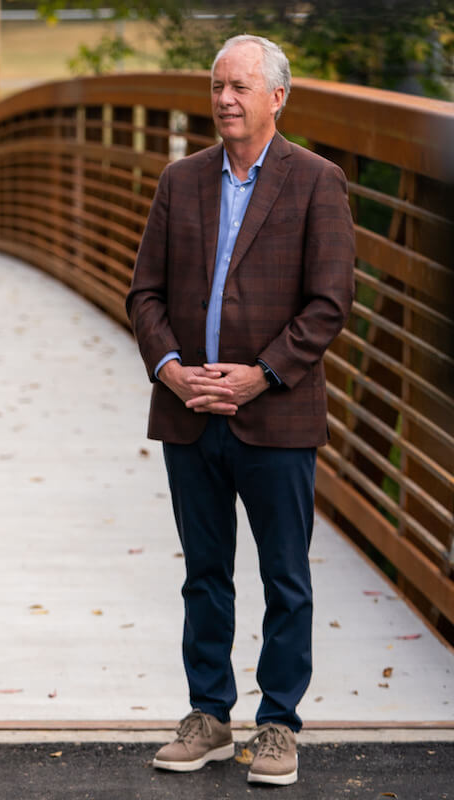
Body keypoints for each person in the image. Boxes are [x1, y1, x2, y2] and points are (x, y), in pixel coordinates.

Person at [126, 34, 355, 786]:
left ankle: (280, 724)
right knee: (205, 573)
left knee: (285, 575)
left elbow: (330, 303)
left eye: (241, 87)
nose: (225, 98)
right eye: (218, 85)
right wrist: (171, 371)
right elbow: (145, 294)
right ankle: (209, 715)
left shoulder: (317, 181)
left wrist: (261, 375)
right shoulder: (179, 180)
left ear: (278, 97)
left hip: (276, 416)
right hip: (190, 412)